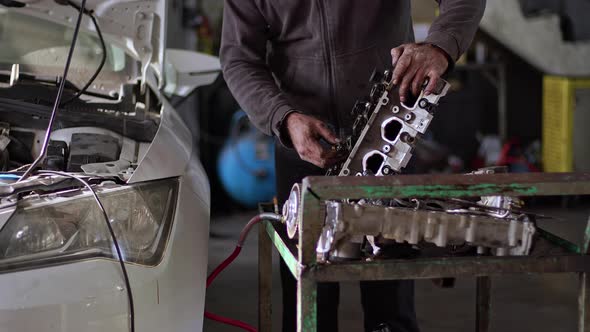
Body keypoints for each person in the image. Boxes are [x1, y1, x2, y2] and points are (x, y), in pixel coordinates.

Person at [220, 1, 485, 331]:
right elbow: (240, 59)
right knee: (309, 301)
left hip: (388, 138)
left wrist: (440, 45)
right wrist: (283, 118)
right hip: (303, 147)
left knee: (391, 294)